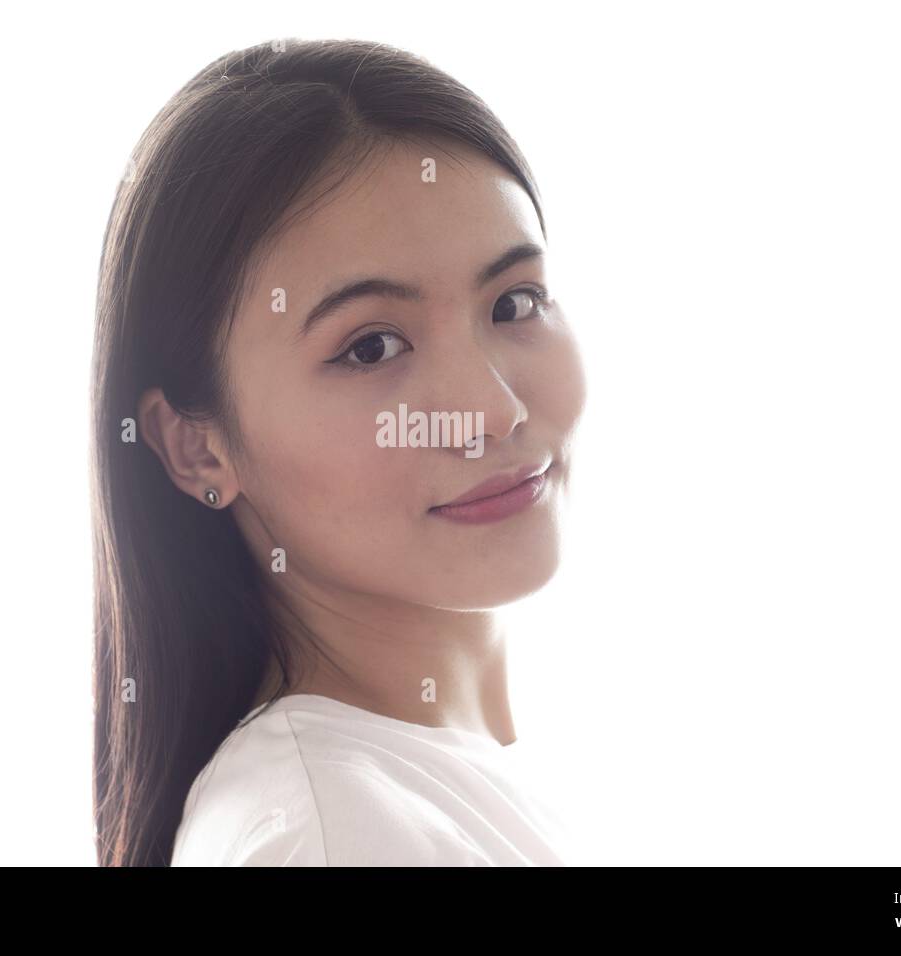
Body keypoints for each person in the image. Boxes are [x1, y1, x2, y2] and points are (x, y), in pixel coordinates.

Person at [91, 38, 587, 866]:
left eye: (515, 301)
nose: (492, 412)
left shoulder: (417, 795)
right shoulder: (329, 834)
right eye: (371, 348)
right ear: (196, 448)